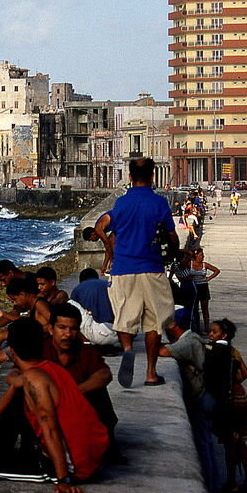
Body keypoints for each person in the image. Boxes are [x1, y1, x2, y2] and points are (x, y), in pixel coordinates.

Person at [0, 317, 110, 493]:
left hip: (75, 468)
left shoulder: (34, 379)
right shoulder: (49, 368)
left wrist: (63, 480)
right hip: (91, 456)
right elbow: (15, 386)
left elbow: (51, 429)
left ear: (12, 351)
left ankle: (50, 469)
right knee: (19, 398)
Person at [82, 157, 177, 388]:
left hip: (123, 269)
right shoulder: (159, 203)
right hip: (152, 268)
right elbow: (172, 237)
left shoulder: (121, 204)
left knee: (125, 317)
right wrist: (171, 255)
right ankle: (151, 373)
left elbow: (100, 226)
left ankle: (127, 349)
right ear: (153, 177)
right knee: (154, 322)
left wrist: (107, 246)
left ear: (131, 177)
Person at [42, 303, 125, 464]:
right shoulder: (41, 350)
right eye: (62, 328)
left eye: (73, 329)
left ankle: (108, 445)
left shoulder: (86, 352)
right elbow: (15, 375)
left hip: (77, 407)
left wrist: (74, 392)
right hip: (47, 406)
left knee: (98, 392)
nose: (68, 334)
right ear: (51, 329)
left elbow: (105, 374)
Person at [161, 308, 221, 493]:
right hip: (208, 396)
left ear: (174, 324)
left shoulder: (186, 342)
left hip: (200, 399)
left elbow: (162, 352)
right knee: (207, 445)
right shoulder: (192, 337)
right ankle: (216, 489)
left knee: (202, 447)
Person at [208, 319, 247, 493]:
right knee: (240, 440)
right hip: (241, 397)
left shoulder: (217, 351)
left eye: (214, 332)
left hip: (229, 401)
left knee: (230, 442)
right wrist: (236, 382)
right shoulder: (234, 352)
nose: (210, 334)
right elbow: (245, 373)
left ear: (224, 335)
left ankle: (232, 483)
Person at [68, 268, 119, 348]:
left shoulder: (78, 288)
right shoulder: (109, 284)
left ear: (81, 281)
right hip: (121, 335)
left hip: (99, 334)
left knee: (70, 305)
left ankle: (86, 343)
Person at [182, 248, 220, 328]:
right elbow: (182, 267)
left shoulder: (204, 265)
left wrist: (208, 278)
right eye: (201, 255)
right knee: (195, 309)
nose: (203, 256)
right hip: (194, 288)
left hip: (203, 287)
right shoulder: (190, 264)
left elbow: (216, 270)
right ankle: (198, 328)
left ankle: (206, 328)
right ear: (196, 255)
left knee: (204, 309)